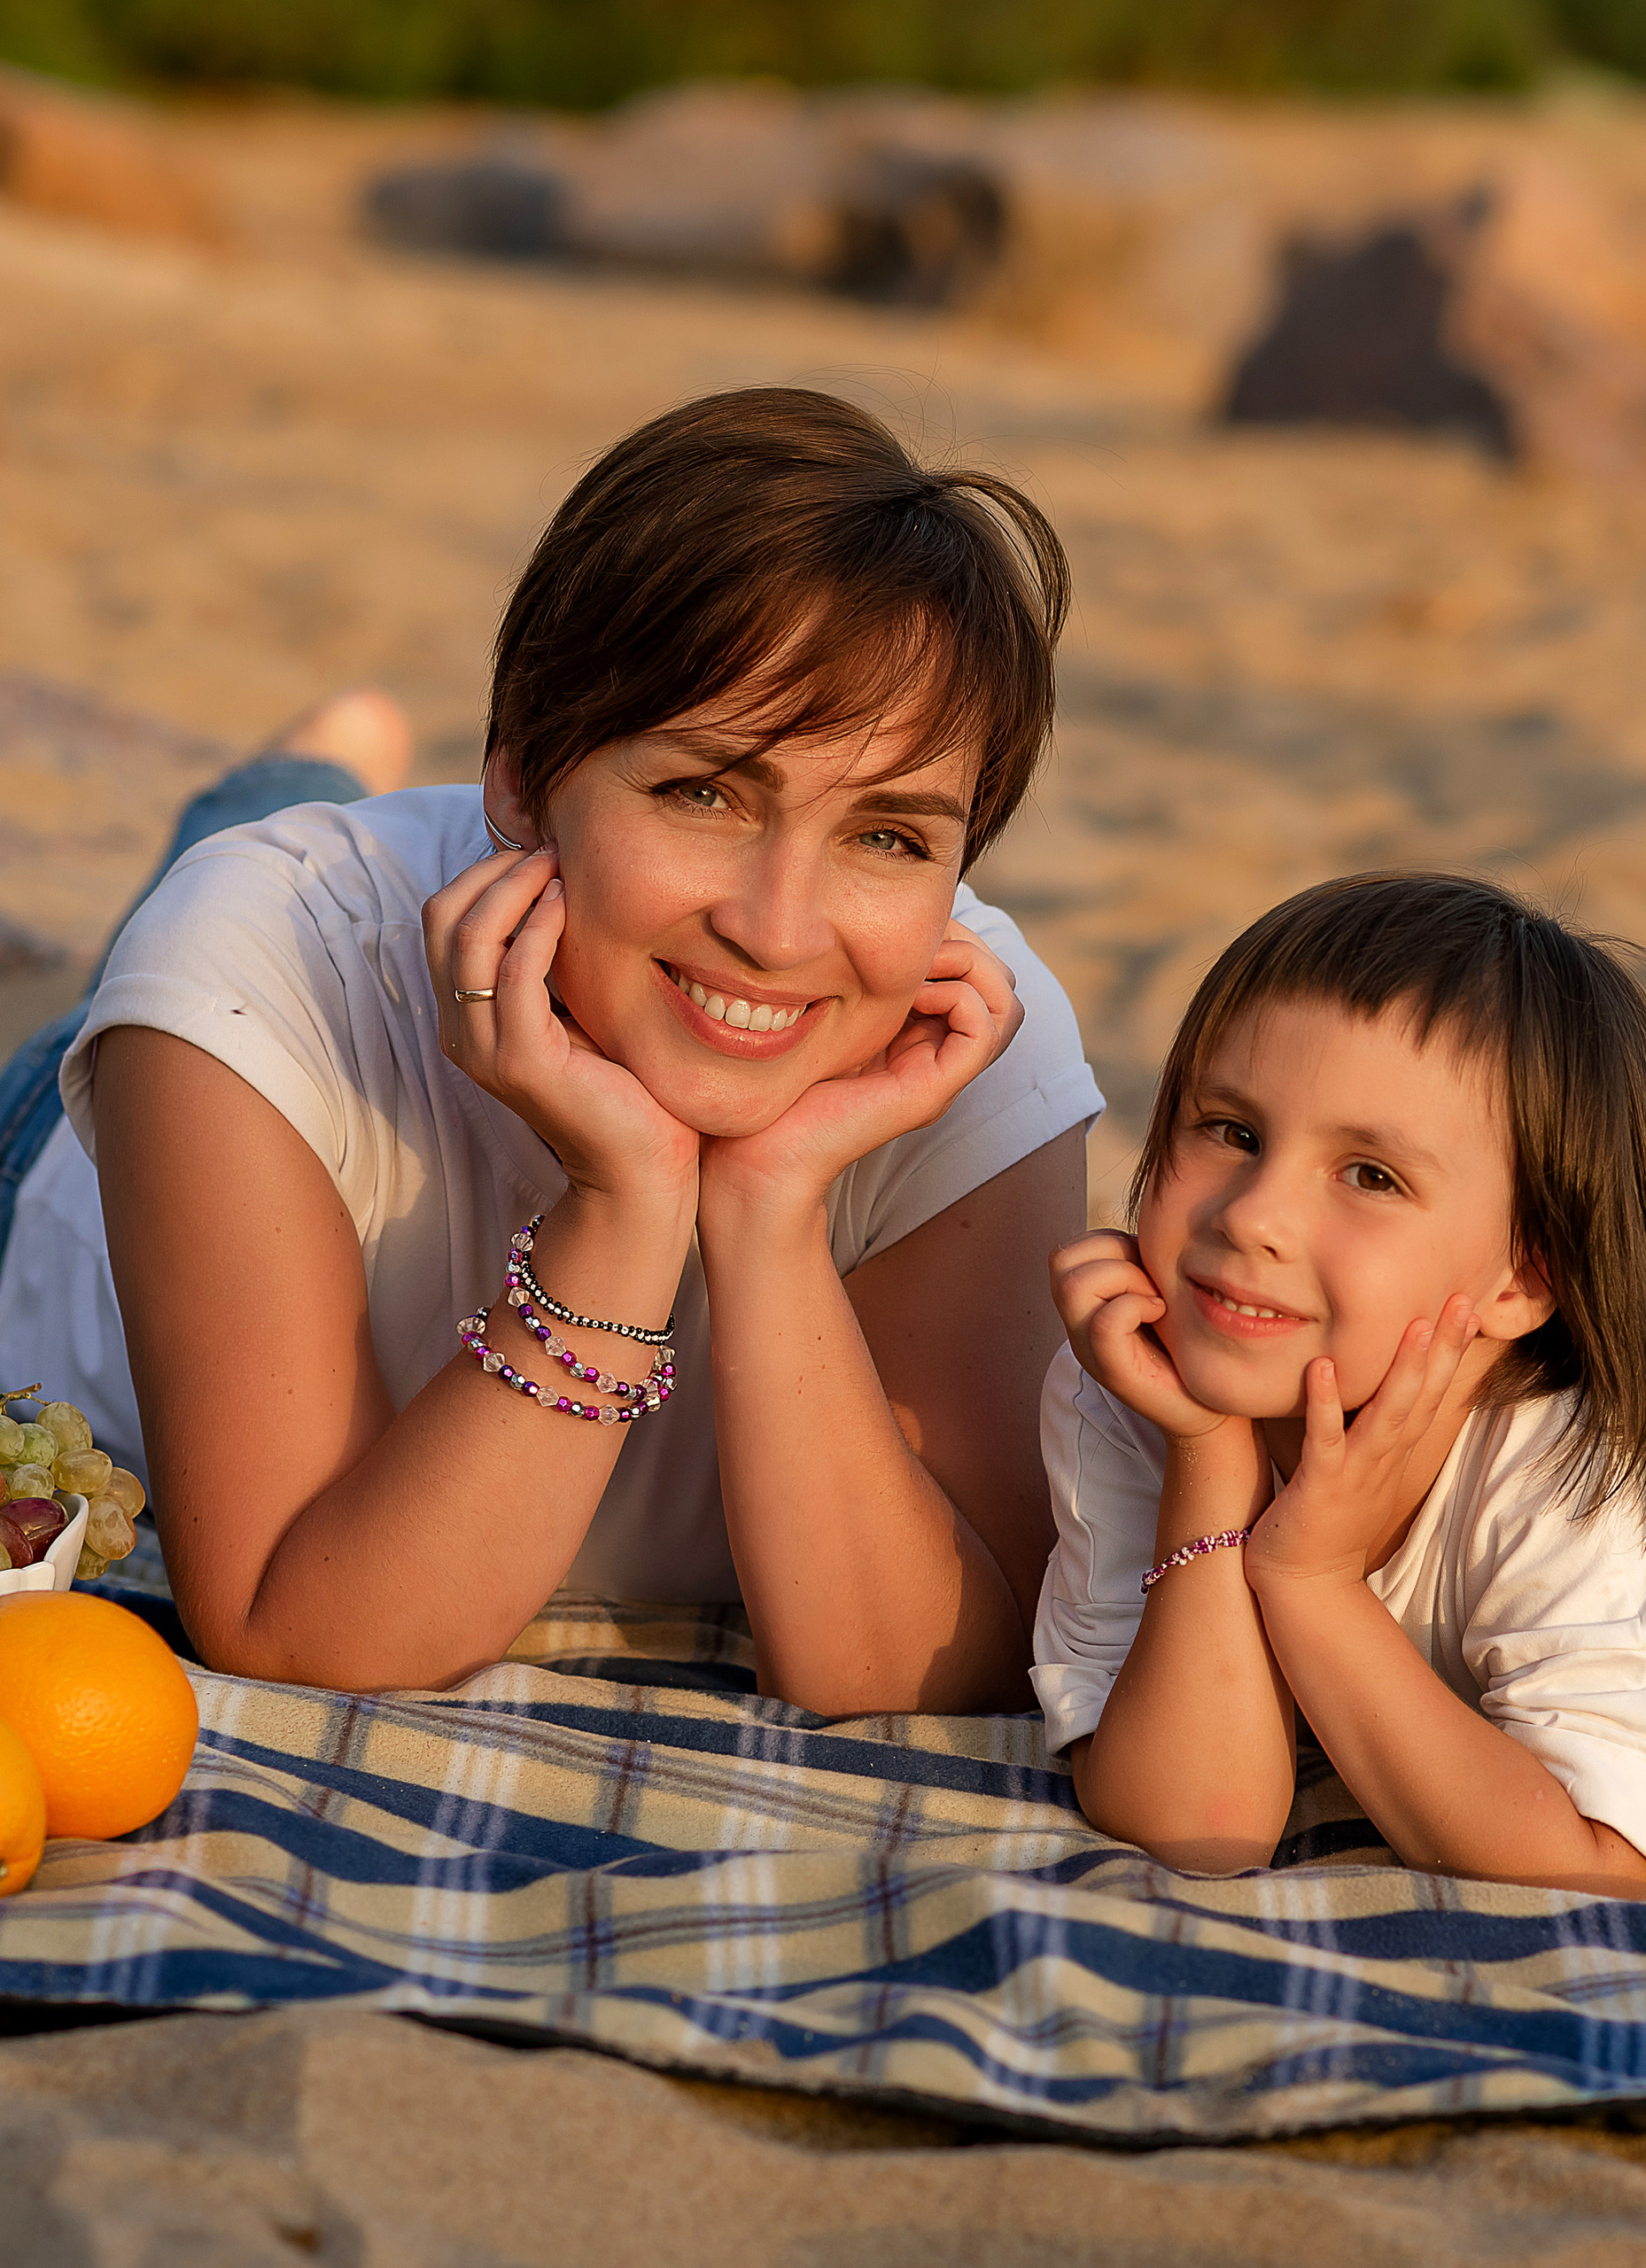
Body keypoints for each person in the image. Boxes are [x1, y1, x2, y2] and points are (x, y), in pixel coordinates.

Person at [0, 387, 1102, 1710]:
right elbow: (303, 1638)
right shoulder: (262, 964)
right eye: (704, 791)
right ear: (520, 775)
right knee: (202, 897)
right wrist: (628, 1205)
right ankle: (297, 779)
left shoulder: (975, 1044)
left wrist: (765, 1209)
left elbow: (936, 1668)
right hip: (50, 1156)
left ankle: (319, 767)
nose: (780, 928)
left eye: (891, 836)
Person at [1029, 873, 1646, 1896]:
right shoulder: (1133, 1378)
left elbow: (1600, 1859)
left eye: (1370, 1174)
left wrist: (1312, 1582)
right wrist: (1208, 1452)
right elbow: (1200, 1826)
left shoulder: (1586, 1467)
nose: (1249, 1216)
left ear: (1524, 1275)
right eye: (1231, 1130)